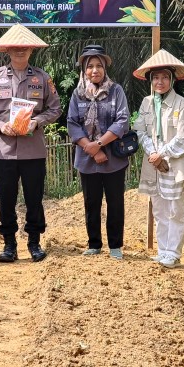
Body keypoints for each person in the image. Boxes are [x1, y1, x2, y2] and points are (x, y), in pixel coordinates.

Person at [0, 24, 61, 263]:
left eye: (24, 47)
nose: (19, 51)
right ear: (8, 50)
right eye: (15, 48)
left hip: (33, 150)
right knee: (6, 199)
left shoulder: (43, 78)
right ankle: (9, 244)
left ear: (31, 50)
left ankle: (34, 242)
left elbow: (55, 109)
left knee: (34, 198)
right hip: (4, 151)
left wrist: (37, 121)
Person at [132, 49, 184, 268]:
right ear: (150, 80)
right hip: (154, 165)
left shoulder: (181, 104)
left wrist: (163, 154)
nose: (160, 82)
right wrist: (152, 153)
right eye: (156, 77)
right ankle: (162, 250)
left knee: (175, 209)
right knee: (158, 209)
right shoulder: (146, 102)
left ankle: (174, 252)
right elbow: (140, 130)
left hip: (175, 164)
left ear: (172, 79)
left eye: (165, 77)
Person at [66, 45, 130, 260]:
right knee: (91, 203)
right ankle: (94, 244)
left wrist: (100, 144)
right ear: (84, 70)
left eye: (99, 66)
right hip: (87, 158)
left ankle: (115, 246)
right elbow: (72, 123)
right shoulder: (77, 94)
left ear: (105, 68)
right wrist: (92, 150)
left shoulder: (116, 91)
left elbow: (123, 121)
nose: (95, 70)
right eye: (90, 66)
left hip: (113, 158)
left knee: (115, 203)